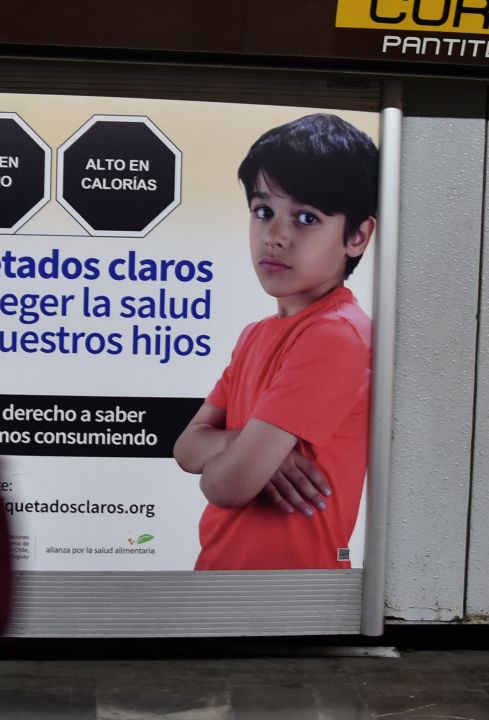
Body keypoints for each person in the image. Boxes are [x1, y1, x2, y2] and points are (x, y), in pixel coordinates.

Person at [173, 113, 379, 570]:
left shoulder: (336, 336)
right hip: (225, 580)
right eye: (263, 211)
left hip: (291, 595)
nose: (276, 236)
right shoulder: (256, 335)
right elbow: (186, 447)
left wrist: (241, 457)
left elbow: (224, 486)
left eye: (306, 217)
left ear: (358, 236)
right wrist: (251, 449)